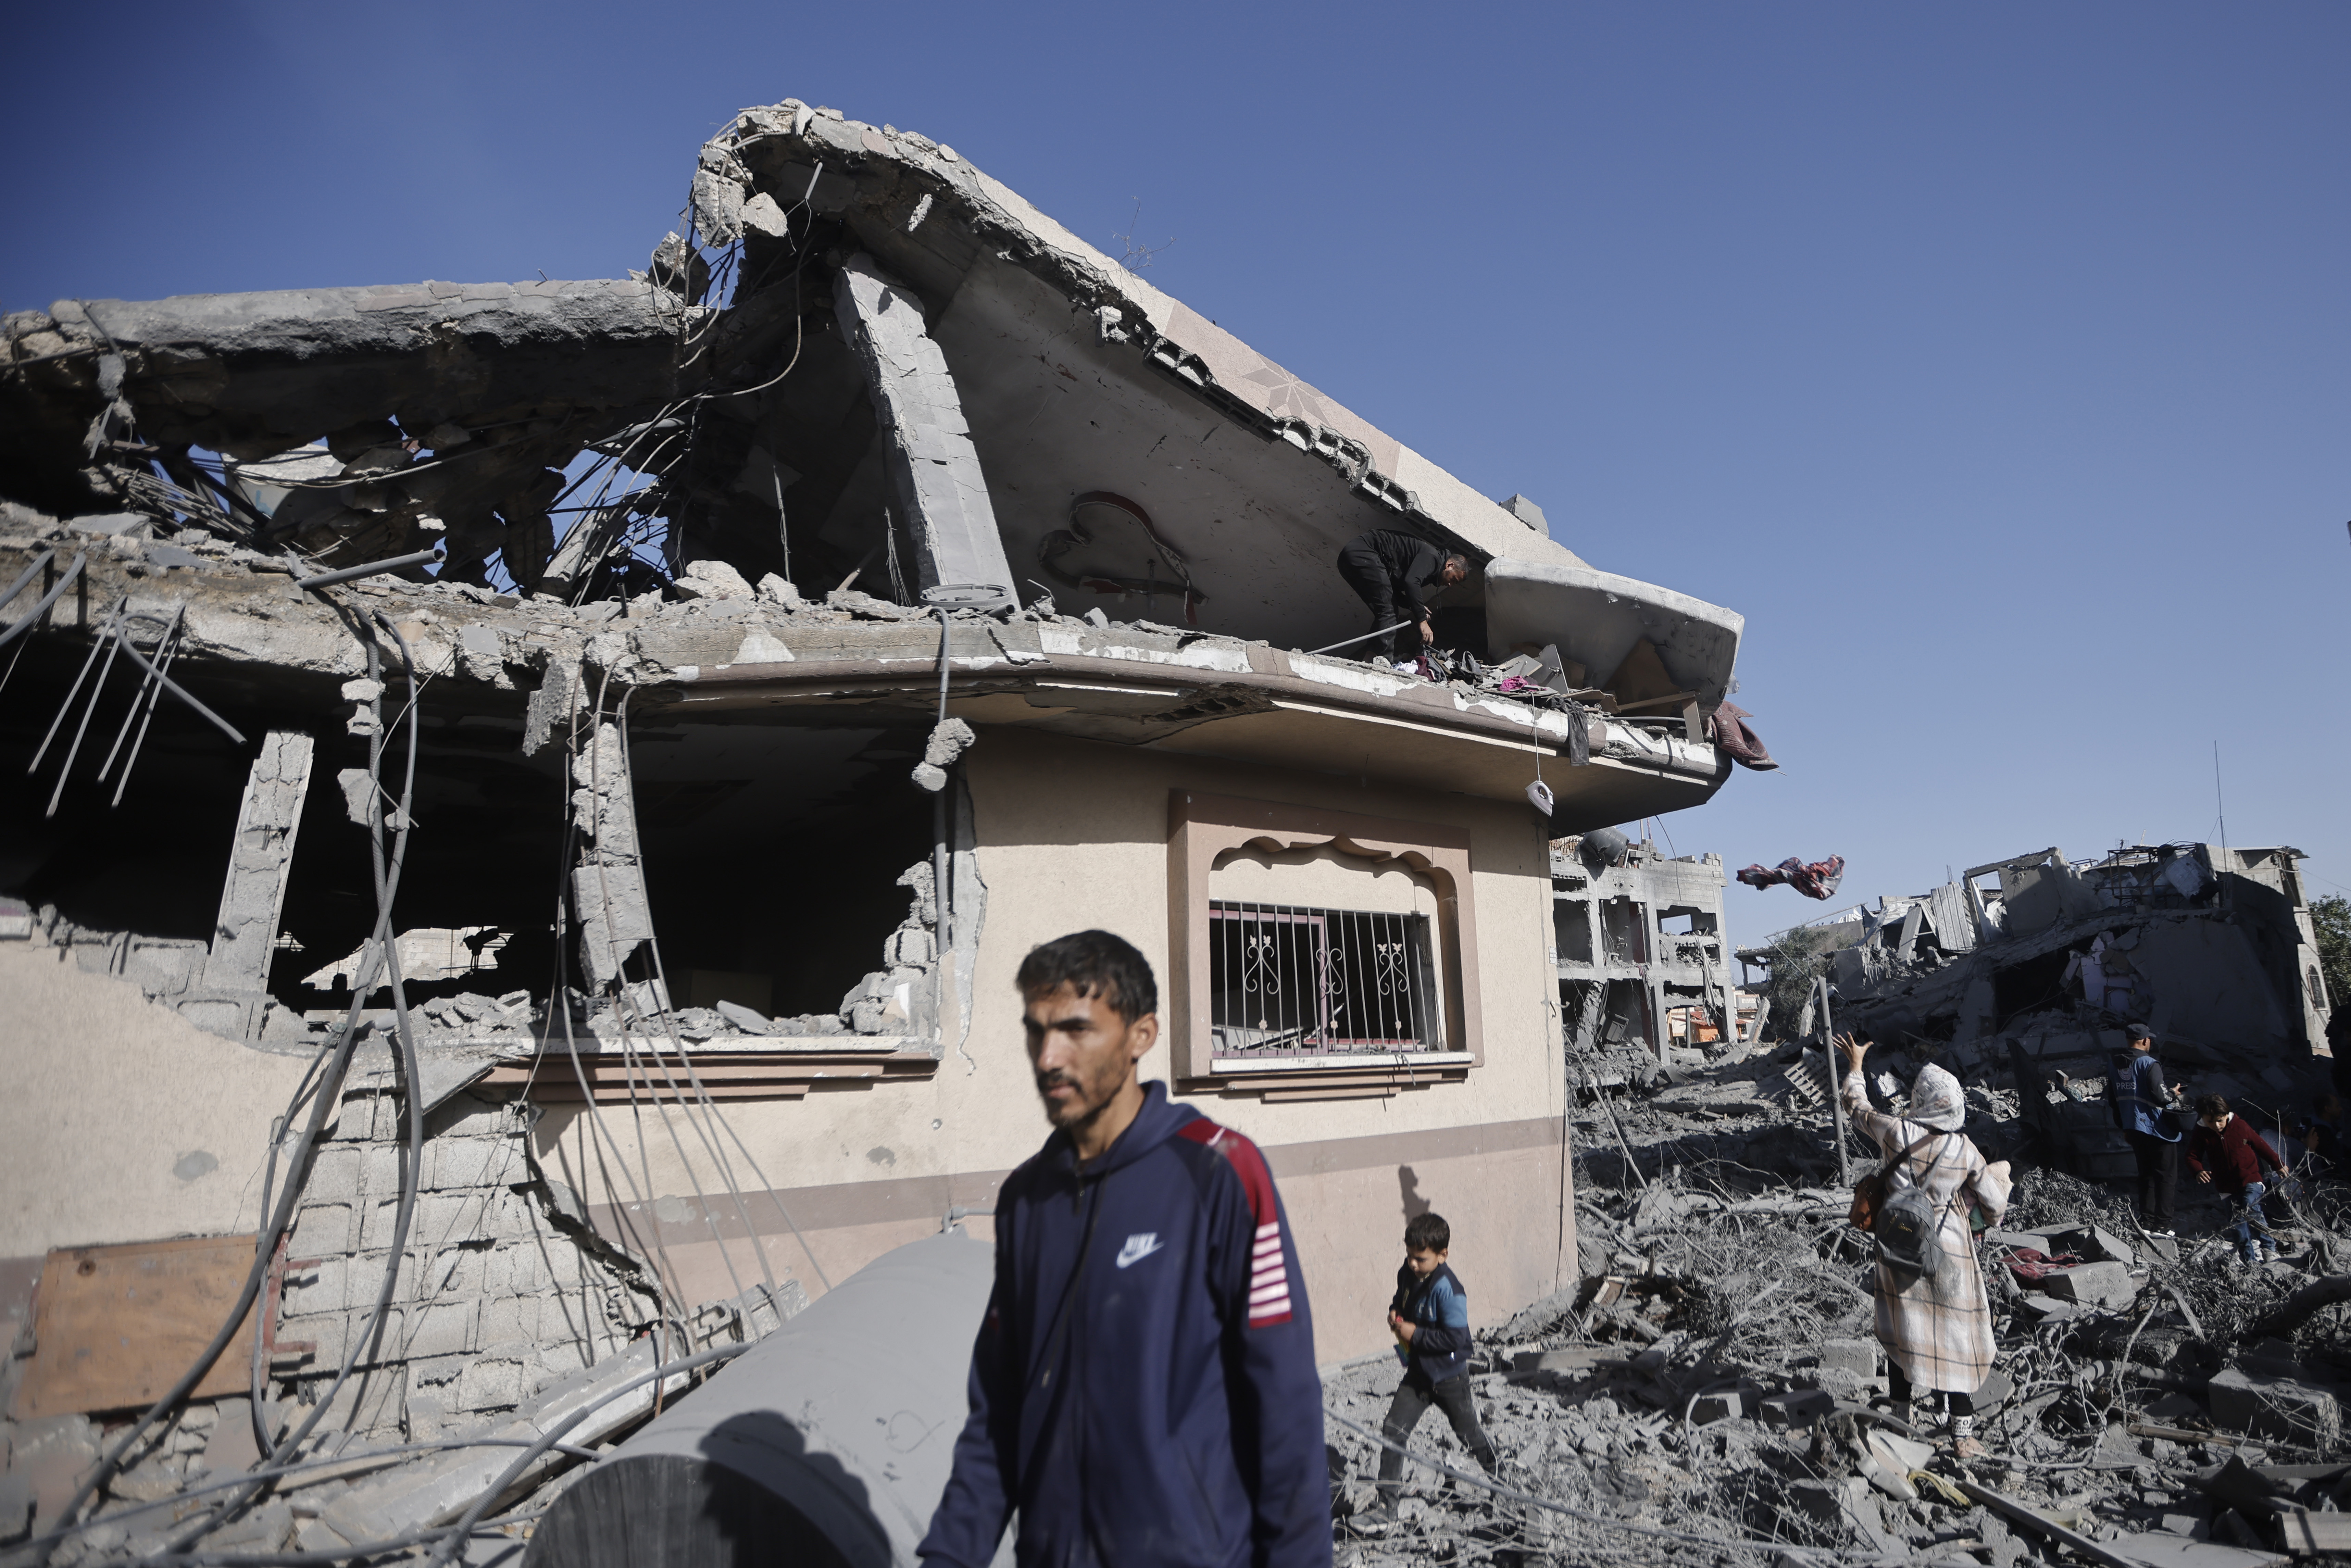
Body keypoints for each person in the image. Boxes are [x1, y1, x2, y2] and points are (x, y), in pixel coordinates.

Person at [918, 931, 1330, 1568]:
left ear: (1142, 1034)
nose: (1049, 1057)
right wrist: (950, 1554)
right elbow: (998, 1409)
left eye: (1077, 1029)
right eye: (1037, 1030)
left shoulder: (1220, 1170)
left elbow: (1285, 1403)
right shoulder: (1026, 1199)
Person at [1837, 1035, 2010, 1459]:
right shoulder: (1964, 1148)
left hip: (1898, 1245)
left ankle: (1901, 1417)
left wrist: (1856, 1065)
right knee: (1957, 1335)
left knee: (1903, 1328)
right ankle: (1963, 1434)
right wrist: (1983, 1219)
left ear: (1920, 1099)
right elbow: (1994, 1203)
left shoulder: (1895, 1132)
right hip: (1948, 1250)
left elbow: (1855, 1106)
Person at [1361, 1213, 1495, 1529]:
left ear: (1442, 1255)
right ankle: (1386, 1507)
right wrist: (1395, 1311)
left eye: (1420, 1259)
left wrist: (1413, 1333)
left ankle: (1504, 1483)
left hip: (1449, 1378)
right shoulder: (1407, 1274)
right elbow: (1400, 1299)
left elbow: (1459, 1342)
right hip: (1418, 1376)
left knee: (1469, 1435)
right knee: (1394, 1430)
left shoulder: (1450, 1290)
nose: (1412, 1263)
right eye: (1409, 1256)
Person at [1333, 529, 1467, 665]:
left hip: (1351, 558)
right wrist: (1422, 620)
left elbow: (1392, 591)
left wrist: (1415, 606)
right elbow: (1411, 582)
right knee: (1389, 612)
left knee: (1386, 609)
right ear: (1450, 565)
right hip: (1365, 553)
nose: (1450, 585)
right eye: (1454, 579)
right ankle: (1383, 661)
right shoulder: (1433, 558)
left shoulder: (1430, 565)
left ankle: (1370, 660)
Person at [2187, 1093, 2287, 1268]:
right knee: (2238, 1225)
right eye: (2211, 1122)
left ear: (2226, 1115)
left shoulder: (2240, 1126)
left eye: (2220, 1120)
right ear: (2203, 1119)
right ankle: (2250, 1262)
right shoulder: (2202, 1132)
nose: (2216, 1126)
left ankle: (2269, 1249)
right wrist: (2198, 1170)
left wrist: (2278, 1164)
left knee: (2251, 1208)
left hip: (2251, 1180)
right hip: (2226, 1188)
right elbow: (2191, 1156)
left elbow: (2261, 1146)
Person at [2112, 1025, 2186, 1235]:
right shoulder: (2149, 1064)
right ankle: (2163, 1226)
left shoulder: (2114, 1065)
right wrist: (2173, 1094)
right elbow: (2161, 1097)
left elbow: (2113, 1100)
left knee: (2146, 1175)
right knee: (2166, 1177)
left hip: (2133, 1129)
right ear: (2145, 1041)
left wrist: (2125, 1127)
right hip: (2156, 1129)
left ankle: (2146, 1222)